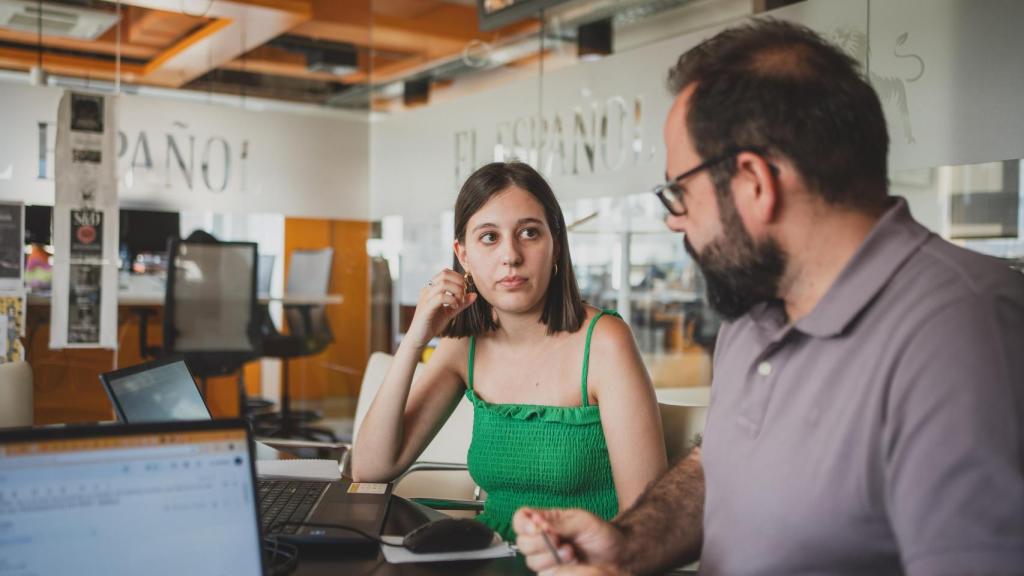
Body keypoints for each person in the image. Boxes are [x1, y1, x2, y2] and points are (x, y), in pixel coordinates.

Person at [514, 19, 1024, 575]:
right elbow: (722, 468)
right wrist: (628, 545)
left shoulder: (963, 333)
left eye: (679, 193)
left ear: (755, 182)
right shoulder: (756, 308)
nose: (675, 221)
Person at [353, 161, 667, 540]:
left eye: (529, 233)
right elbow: (370, 468)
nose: (511, 256)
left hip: (581, 563)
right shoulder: (464, 345)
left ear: (555, 245)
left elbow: (647, 521)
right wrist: (416, 340)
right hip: (489, 559)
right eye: (489, 237)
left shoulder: (604, 343)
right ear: (463, 254)